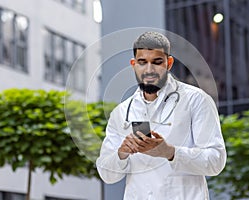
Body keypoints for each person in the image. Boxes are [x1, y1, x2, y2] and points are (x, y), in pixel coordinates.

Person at [96, 31, 226, 200]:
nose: (149, 69)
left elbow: (216, 161)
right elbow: (107, 174)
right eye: (142, 62)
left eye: (157, 62)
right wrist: (122, 153)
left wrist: (169, 152)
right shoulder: (121, 112)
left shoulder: (196, 100)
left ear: (169, 63)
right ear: (133, 64)